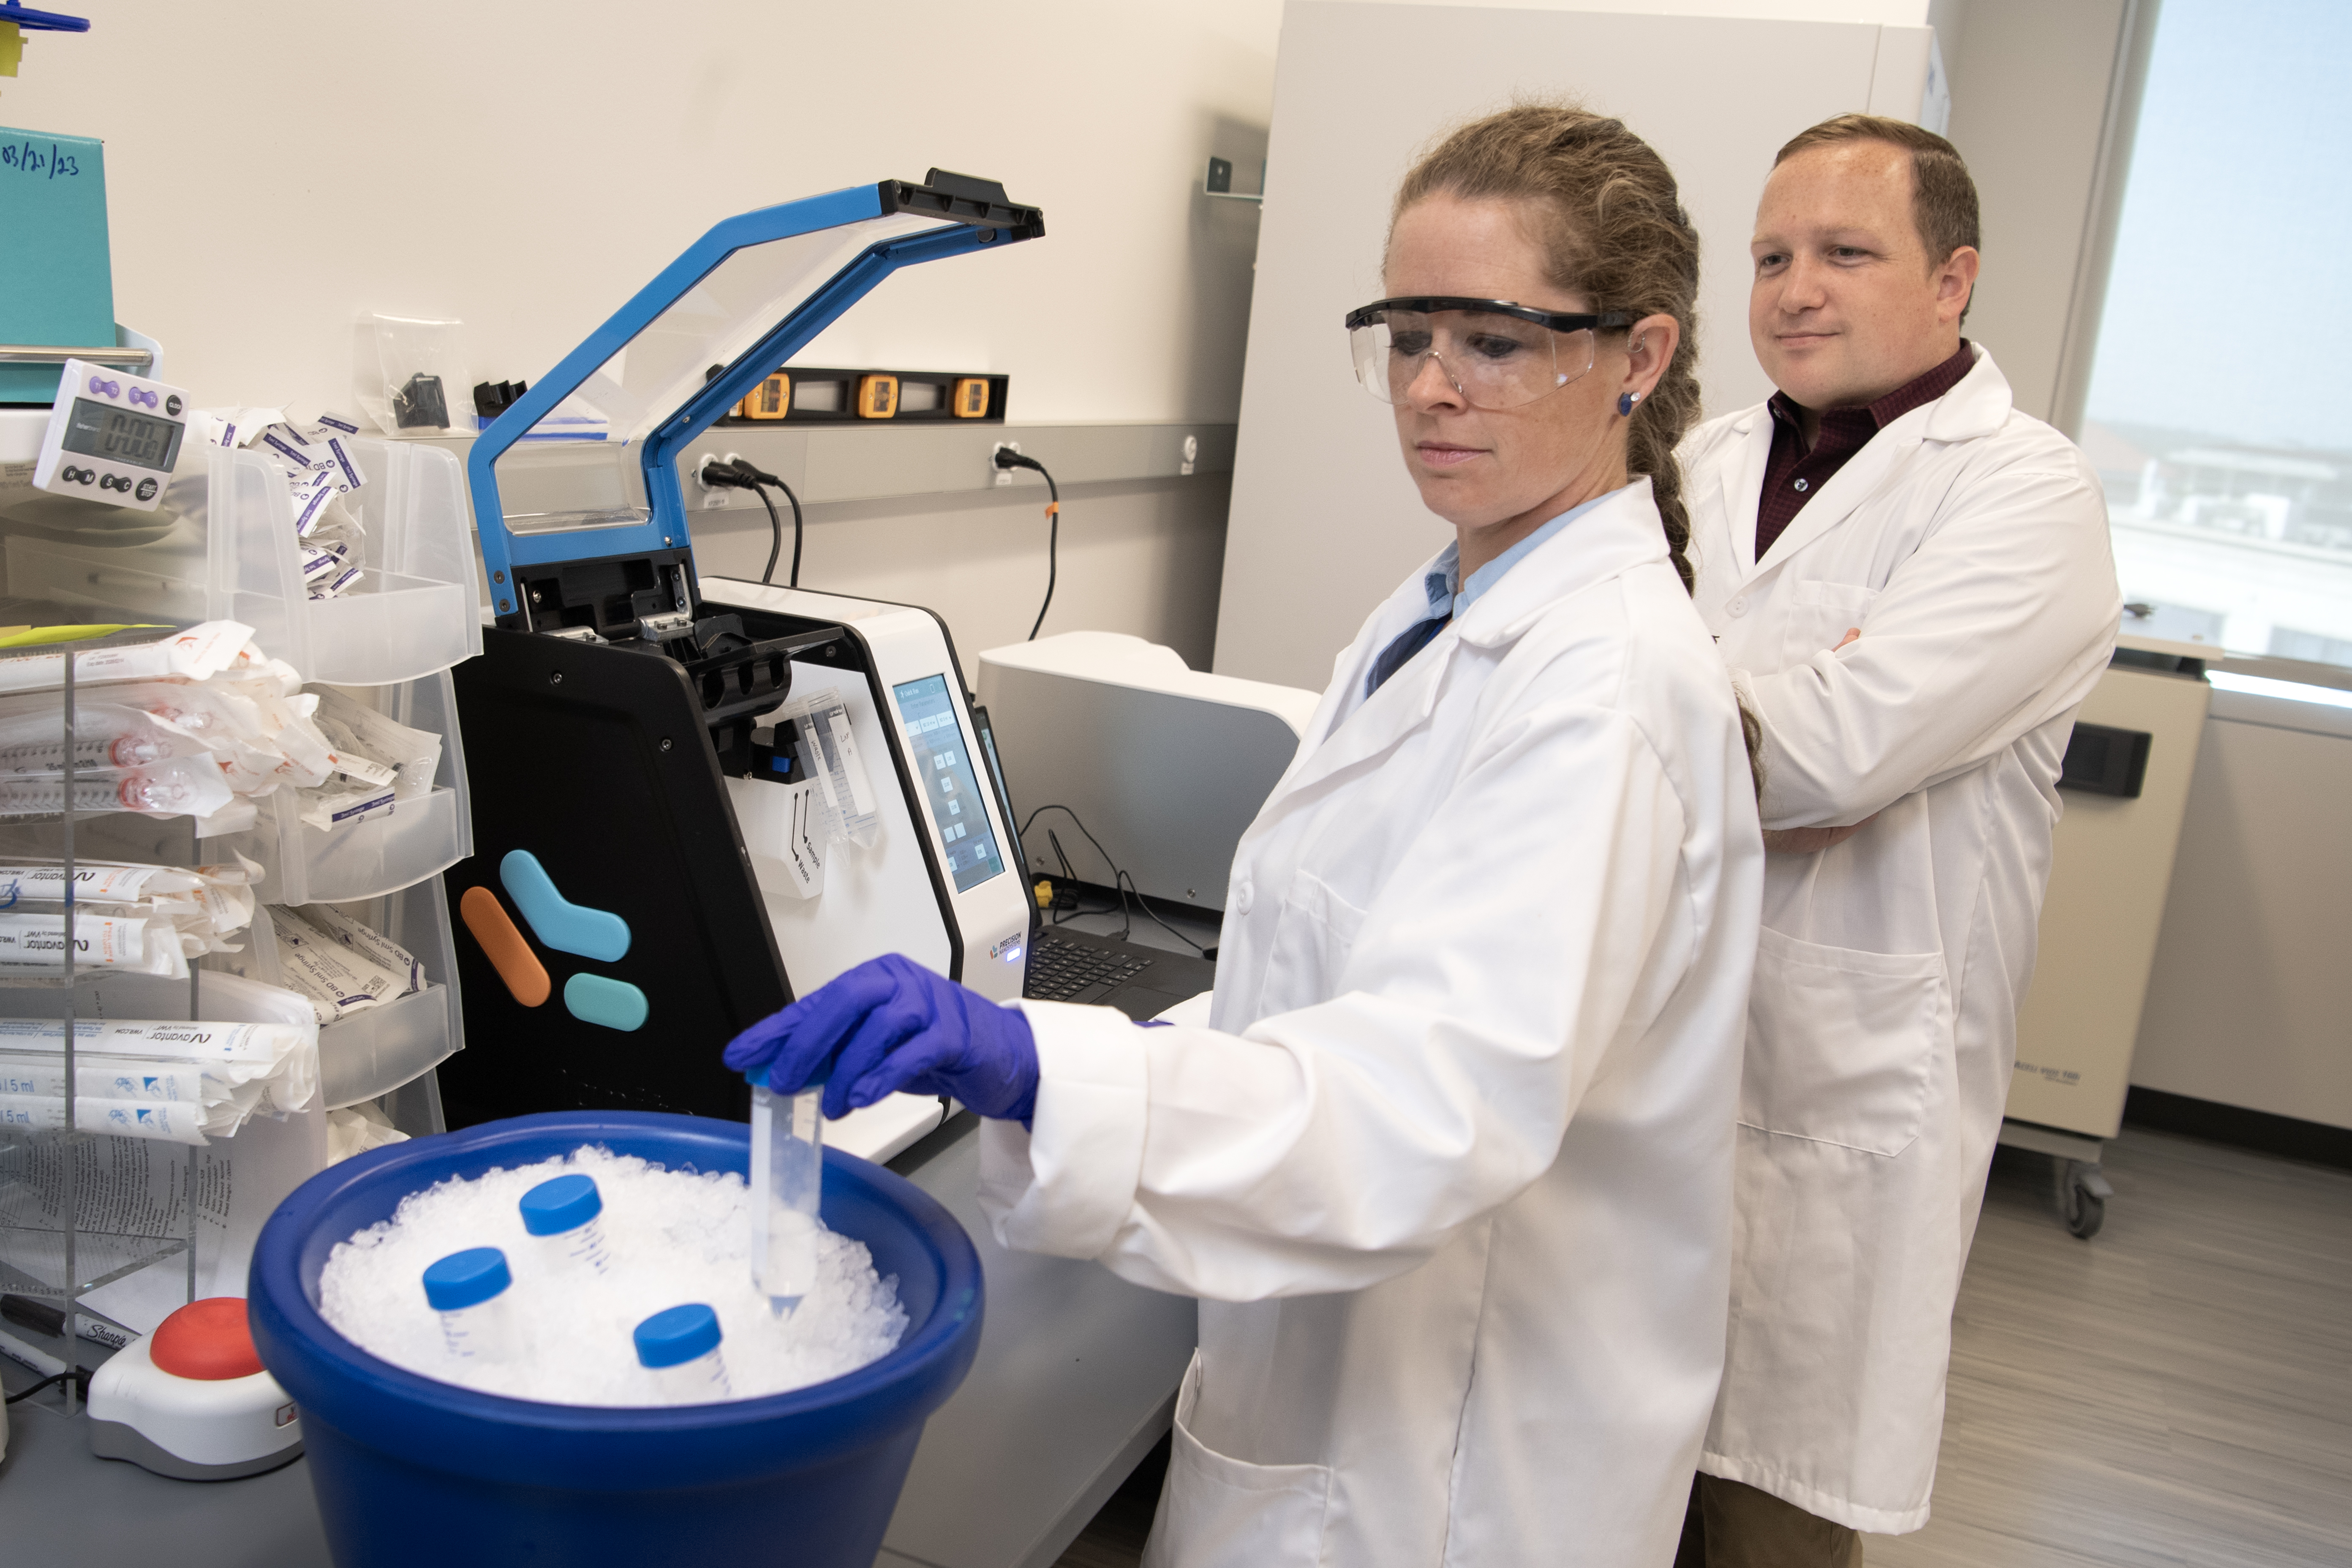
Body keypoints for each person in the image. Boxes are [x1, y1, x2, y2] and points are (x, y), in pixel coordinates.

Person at [725, 104, 1763, 1568]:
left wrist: (1036, 1064)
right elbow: (1325, 984)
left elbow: (1430, 1100)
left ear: (1637, 360)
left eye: (1494, 341)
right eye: (1406, 335)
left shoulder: (1603, 691)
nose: (1430, 388)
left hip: (1455, 1461)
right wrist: (1086, 1062)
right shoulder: (1441, 610)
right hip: (1333, 1391)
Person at [1673, 115, 2121, 1564]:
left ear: (1954, 279)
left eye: (1846, 252)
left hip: (1842, 1081)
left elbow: (1823, 757)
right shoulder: (1693, 457)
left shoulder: (2025, 494)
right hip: (1647, 1040)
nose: (1796, 288)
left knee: (1769, 1512)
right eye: (1771, 257)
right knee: (1599, 1469)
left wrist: (1641, 723)